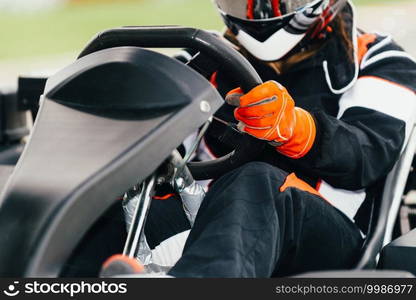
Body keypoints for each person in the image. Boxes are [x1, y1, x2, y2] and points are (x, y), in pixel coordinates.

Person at [142, 0, 416, 277]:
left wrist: (295, 128)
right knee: (120, 204)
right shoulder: (202, 56)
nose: (259, 12)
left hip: (329, 238)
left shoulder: (380, 58)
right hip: (213, 216)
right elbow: (160, 148)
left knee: (257, 180)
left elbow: (365, 153)